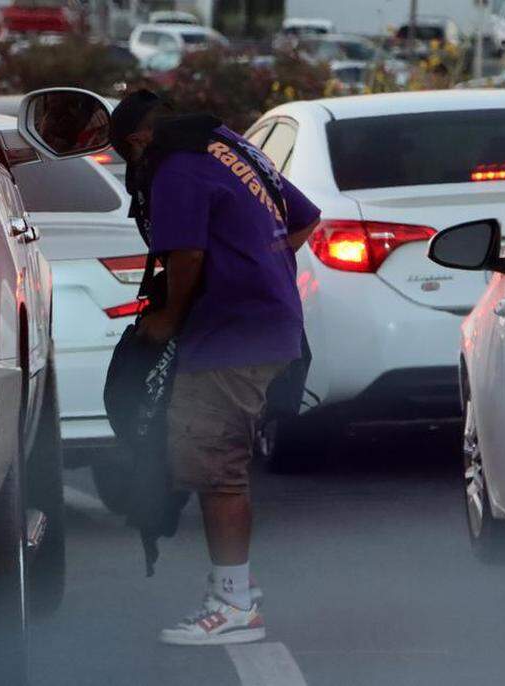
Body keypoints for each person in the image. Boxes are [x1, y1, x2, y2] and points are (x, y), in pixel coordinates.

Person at [109, 92, 321, 646]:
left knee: (216, 466)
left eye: (128, 159)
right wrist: (257, 267)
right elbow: (303, 219)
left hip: (232, 336)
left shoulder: (174, 165)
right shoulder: (230, 143)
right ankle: (233, 589)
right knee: (213, 459)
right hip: (269, 326)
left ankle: (233, 607)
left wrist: (171, 318)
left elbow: (187, 255)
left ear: (137, 142)